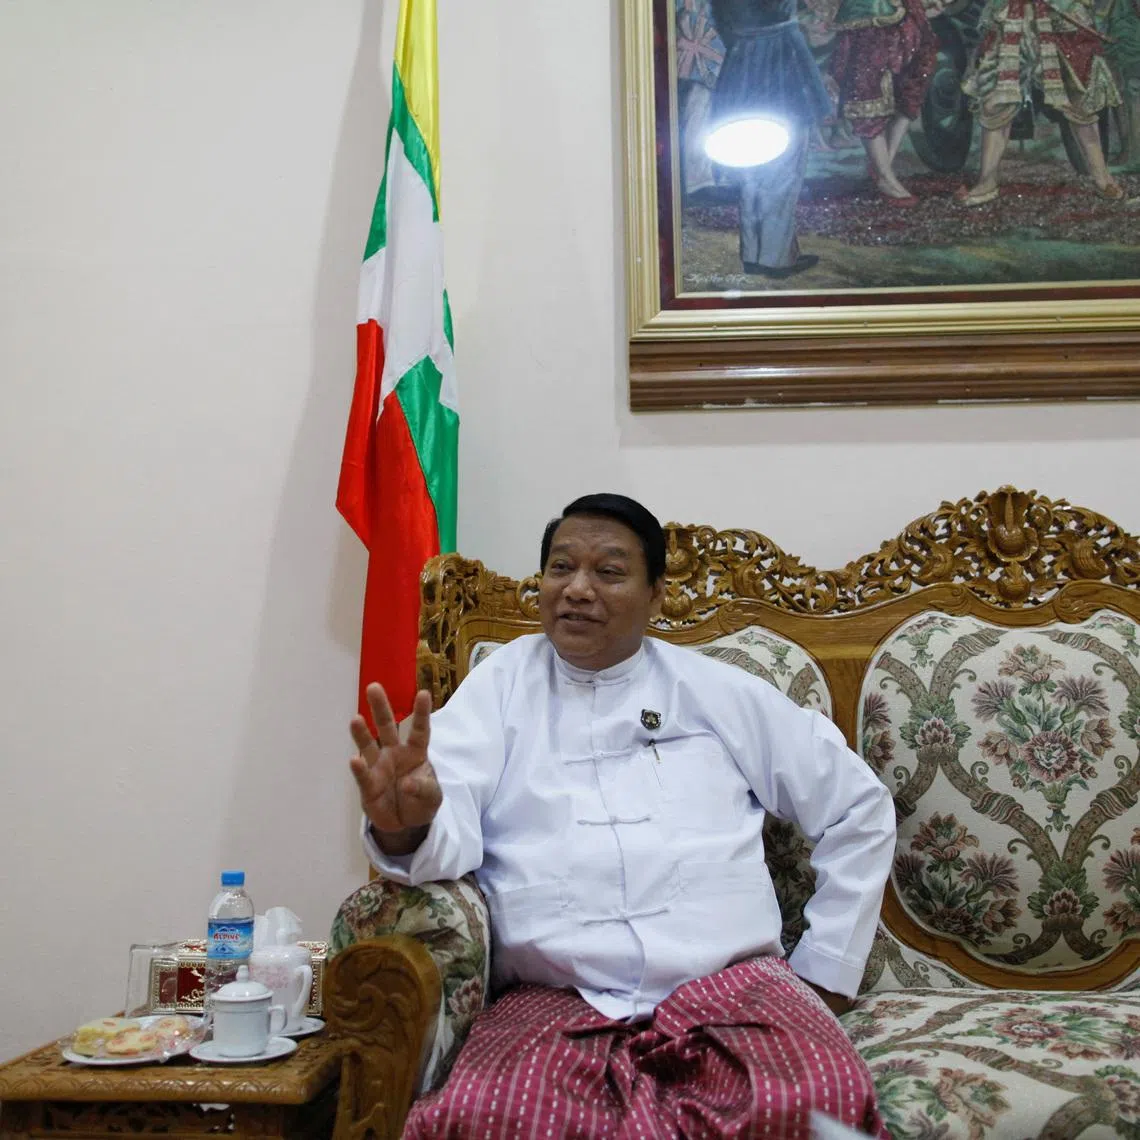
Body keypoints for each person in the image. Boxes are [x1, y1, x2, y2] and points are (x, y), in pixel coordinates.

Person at [348, 493, 897, 1139]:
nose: (577, 589)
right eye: (560, 568)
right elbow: (448, 826)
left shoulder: (716, 691)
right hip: (555, 994)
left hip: (731, 985)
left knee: (815, 1102)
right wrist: (404, 823)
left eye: (608, 572)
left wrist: (826, 971)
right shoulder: (498, 689)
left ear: (657, 594)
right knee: (487, 1117)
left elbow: (856, 805)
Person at [709, 0, 834, 276]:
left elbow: (721, 19)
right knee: (783, 169)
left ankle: (755, 255)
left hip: (742, 60)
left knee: (750, 169)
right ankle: (774, 258)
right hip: (779, 59)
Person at [957, 0, 1123, 204]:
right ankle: (987, 180)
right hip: (1011, 15)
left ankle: (1102, 178)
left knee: (1078, 95)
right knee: (996, 99)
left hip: (1061, 13)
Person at [828, 0, 938, 204]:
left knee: (912, 85)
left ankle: (884, 164)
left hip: (908, 14)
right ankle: (886, 176)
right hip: (867, 16)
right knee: (867, 93)